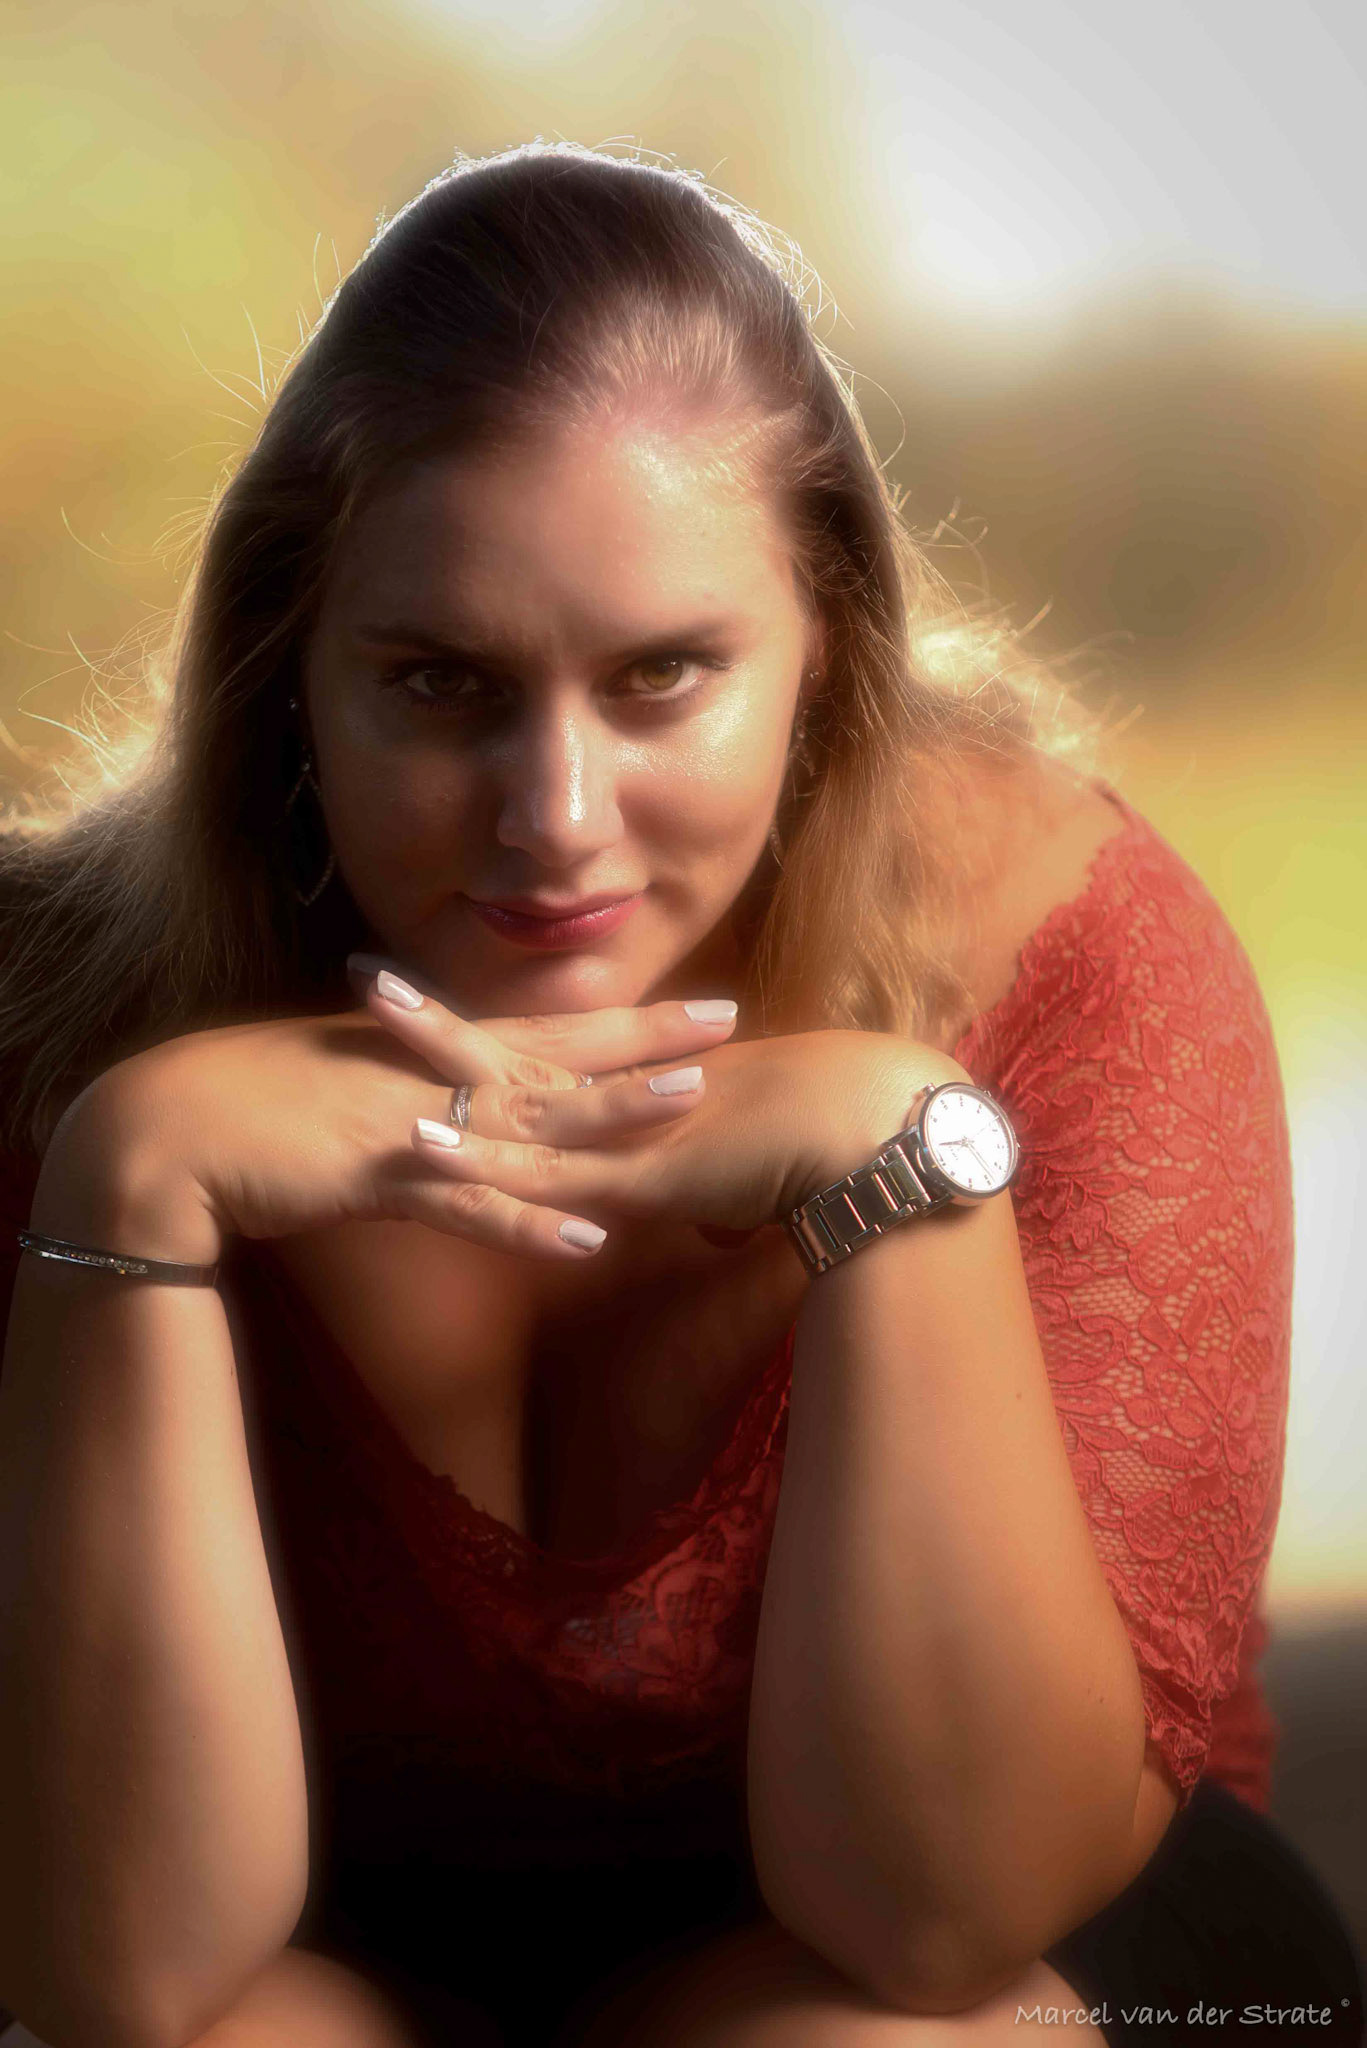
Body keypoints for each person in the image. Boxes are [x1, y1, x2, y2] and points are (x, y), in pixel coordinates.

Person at [0, 141, 1360, 2048]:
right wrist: (127, 1189)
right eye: (440, 682)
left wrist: (896, 1160)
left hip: (1000, 1961)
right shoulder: (55, 1008)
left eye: (659, 677)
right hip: (330, 1963)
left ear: (828, 647)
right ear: (283, 669)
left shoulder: (1075, 949)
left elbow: (939, 1917)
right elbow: (123, 1978)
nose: (553, 819)